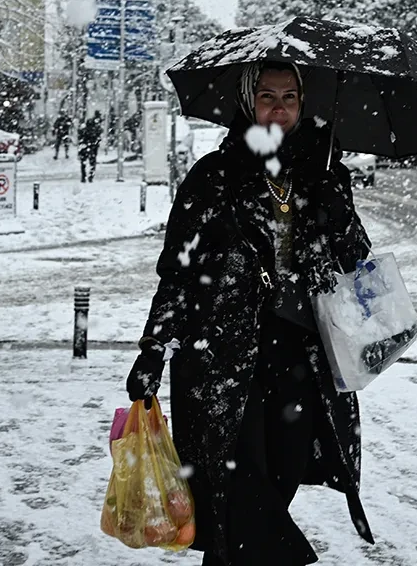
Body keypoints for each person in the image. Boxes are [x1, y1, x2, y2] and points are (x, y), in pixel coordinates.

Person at [124, 61, 374, 566]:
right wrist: (154, 348)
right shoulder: (213, 177)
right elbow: (176, 270)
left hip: (301, 358)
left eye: (289, 98)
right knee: (237, 485)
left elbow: (355, 263)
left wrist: (335, 207)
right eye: (266, 96)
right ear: (247, 102)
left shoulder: (323, 174)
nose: (278, 109)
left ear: (304, 105)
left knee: (277, 479)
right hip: (222, 358)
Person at [78, 111, 103, 183]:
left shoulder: (84, 130)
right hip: (92, 147)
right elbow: (98, 137)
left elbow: (80, 138)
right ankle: (90, 176)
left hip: (84, 147)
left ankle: (84, 176)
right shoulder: (95, 129)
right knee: (92, 162)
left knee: (83, 163)